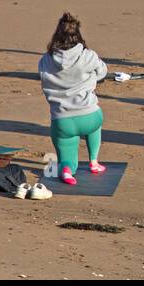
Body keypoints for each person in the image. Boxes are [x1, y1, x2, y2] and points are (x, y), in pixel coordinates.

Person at [39, 13, 106, 186]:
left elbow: (43, 78)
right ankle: (94, 162)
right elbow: (103, 71)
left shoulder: (46, 60)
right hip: (90, 114)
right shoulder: (88, 56)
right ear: (78, 35)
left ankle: (67, 171)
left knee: (67, 157)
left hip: (62, 119)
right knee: (94, 128)